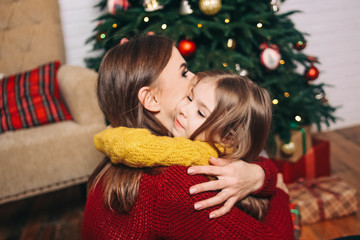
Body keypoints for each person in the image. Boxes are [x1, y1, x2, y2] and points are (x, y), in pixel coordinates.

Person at [82, 35, 293, 239]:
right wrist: (280, 192)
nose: (195, 76)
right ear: (151, 99)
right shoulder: (171, 184)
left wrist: (260, 175)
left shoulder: (119, 149)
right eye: (184, 73)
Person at [94, 70, 274, 220]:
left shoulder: (198, 156)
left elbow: (135, 147)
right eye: (189, 98)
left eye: (201, 113)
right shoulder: (223, 153)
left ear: (227, 139)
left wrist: (108, 133)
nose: (183, 109)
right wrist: (265, 176)